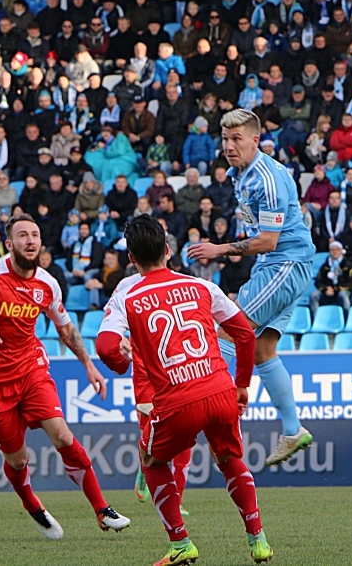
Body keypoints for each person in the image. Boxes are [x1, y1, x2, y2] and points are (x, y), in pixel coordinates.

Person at [95, 216, 273, 565]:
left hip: (177, 399)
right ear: (167, 250)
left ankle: (180, 543)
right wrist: (241, 386)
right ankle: (258, 539)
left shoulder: (127, 292)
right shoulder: (201, 286)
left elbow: (105, 347)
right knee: (230, 459)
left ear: (131, 258)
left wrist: (121, 363)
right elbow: (245, 335)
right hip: (220, 388)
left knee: (151, 461)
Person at [0, 213, 130, 538]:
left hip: (32, 369)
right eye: (22, 235)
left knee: (63, 436)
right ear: (9, 243)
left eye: (34, 235)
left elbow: (66, 329)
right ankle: (31, 503)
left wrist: (88, 364)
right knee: (18, 460)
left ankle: (101, 509)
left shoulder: (48, 283)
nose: (30, 240)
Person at [187, 109, 314, 465]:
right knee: (261, 351)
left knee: (228, 332)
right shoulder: (239, 173)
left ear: (255, 140)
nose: (229, 146)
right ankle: (293, 431)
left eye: (236, 139)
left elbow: (270, 240)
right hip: (282, 264)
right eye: (225, 139)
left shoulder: (267, 179)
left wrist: (220, 249)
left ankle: (213, 425)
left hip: (285, 262)